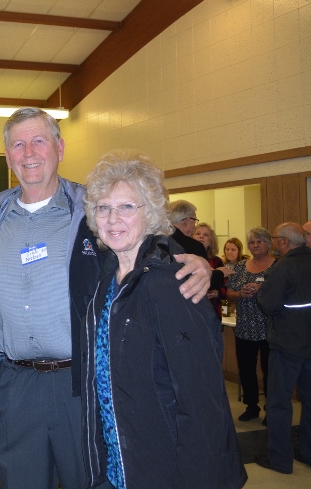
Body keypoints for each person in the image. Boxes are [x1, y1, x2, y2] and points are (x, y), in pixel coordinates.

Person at [0, 107, 211, 489]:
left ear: (59, 148)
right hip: (16, 385)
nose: (28, 152)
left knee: (88, 479)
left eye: (38, 141)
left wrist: (194, 260)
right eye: (18, 144)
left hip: (80, 383)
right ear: (7, 156)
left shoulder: (90, 209)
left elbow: (147, 241)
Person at [81, 150, 246, 489]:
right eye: (103, 207)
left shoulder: (173, 284)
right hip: (118, 462)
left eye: (127, 206)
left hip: (165, 468)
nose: (113, 218)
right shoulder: (106, 279)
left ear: (151, 213)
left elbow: (202, 401)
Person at [255, 222, 311, 474]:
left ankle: (279, 459)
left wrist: (260, 292)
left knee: (279, 403)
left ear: (286, 242)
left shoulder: (283, 268)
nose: (274, 242)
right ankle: (308, 452)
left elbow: (269, 303)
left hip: (287, 345)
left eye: (276, 238)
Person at [226, 226, 276, 423]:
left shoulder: (277, 266)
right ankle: (251, 406)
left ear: (268, 244)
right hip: (245, 327)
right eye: (252, 242)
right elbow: (229, 294)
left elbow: (282, 292)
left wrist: (261, 288)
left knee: (270, 370)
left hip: (270, 328)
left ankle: (270, 408)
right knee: (246, 368)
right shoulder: (240, 267)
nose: (255, 245)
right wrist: (240, 294)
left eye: (260, 241)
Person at [194, 222, 225, 318]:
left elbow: (226, 287)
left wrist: (217, 293)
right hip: (192, 310)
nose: (201, 237)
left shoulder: (217, 261)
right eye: (198, 234)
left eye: (205, 235)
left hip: (212, 311)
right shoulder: (186, 258)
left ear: (211, 242)